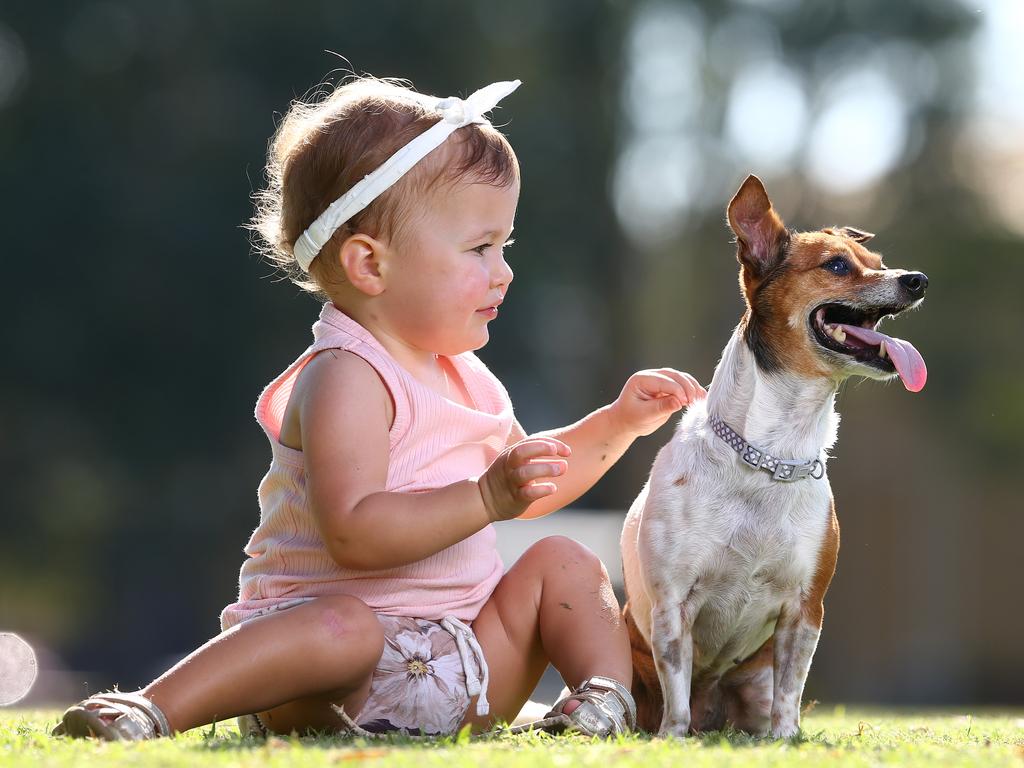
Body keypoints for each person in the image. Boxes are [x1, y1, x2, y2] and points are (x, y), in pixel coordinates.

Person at [52, 75, 706, 741]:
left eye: (504, 246)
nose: (503, 270)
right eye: (480, 248)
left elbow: (528, 487)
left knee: (564, 561)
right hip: (327, 682)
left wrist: (619, 422)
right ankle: (151, 709)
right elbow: (355, 532)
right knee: (345, 627)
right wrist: (484, 499)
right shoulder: (346, 376)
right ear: (369, 265)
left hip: (465, 671)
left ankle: (601, 701)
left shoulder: (467, 378)